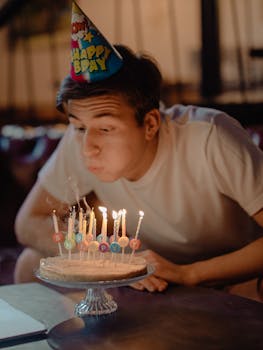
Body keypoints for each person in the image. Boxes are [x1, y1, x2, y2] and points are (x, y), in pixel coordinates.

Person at [14, 3, 263, 300]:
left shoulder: (210, 137)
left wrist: (190, 274)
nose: (87, 146)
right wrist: (109, 260)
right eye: (78, 126)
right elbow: (28, 222)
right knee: (30, 263)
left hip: (231, 273)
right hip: (149, 274)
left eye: (106, 129)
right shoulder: (79, 139)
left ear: (149, 124)